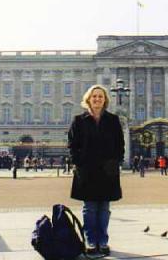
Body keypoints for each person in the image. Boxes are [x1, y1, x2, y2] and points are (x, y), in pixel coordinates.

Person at [68, 85, 124, 256]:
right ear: (88, 99)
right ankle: (91, 240)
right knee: (90, 207)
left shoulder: (113, 120)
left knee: (104, 207)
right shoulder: (79, 120)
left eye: (100, 96)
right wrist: (79, 163)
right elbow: (72, 145)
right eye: (94, 97)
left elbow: (120, 144)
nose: (97, 99)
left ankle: (103, 240)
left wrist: (115, 163)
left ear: (105, 99)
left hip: (107, 170)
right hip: (87, 169)